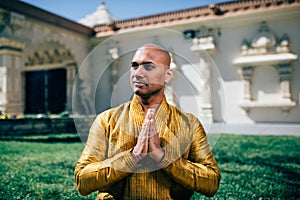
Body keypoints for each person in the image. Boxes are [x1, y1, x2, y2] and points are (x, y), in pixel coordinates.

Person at [74, 43, 220, 200]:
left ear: (167, 75)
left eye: (148, 67)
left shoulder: (189, 124)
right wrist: (133, 157)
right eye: (134, 66)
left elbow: (211, 182)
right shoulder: (106, 120)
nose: (138, 73)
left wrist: (164, 158)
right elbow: (82, 180)